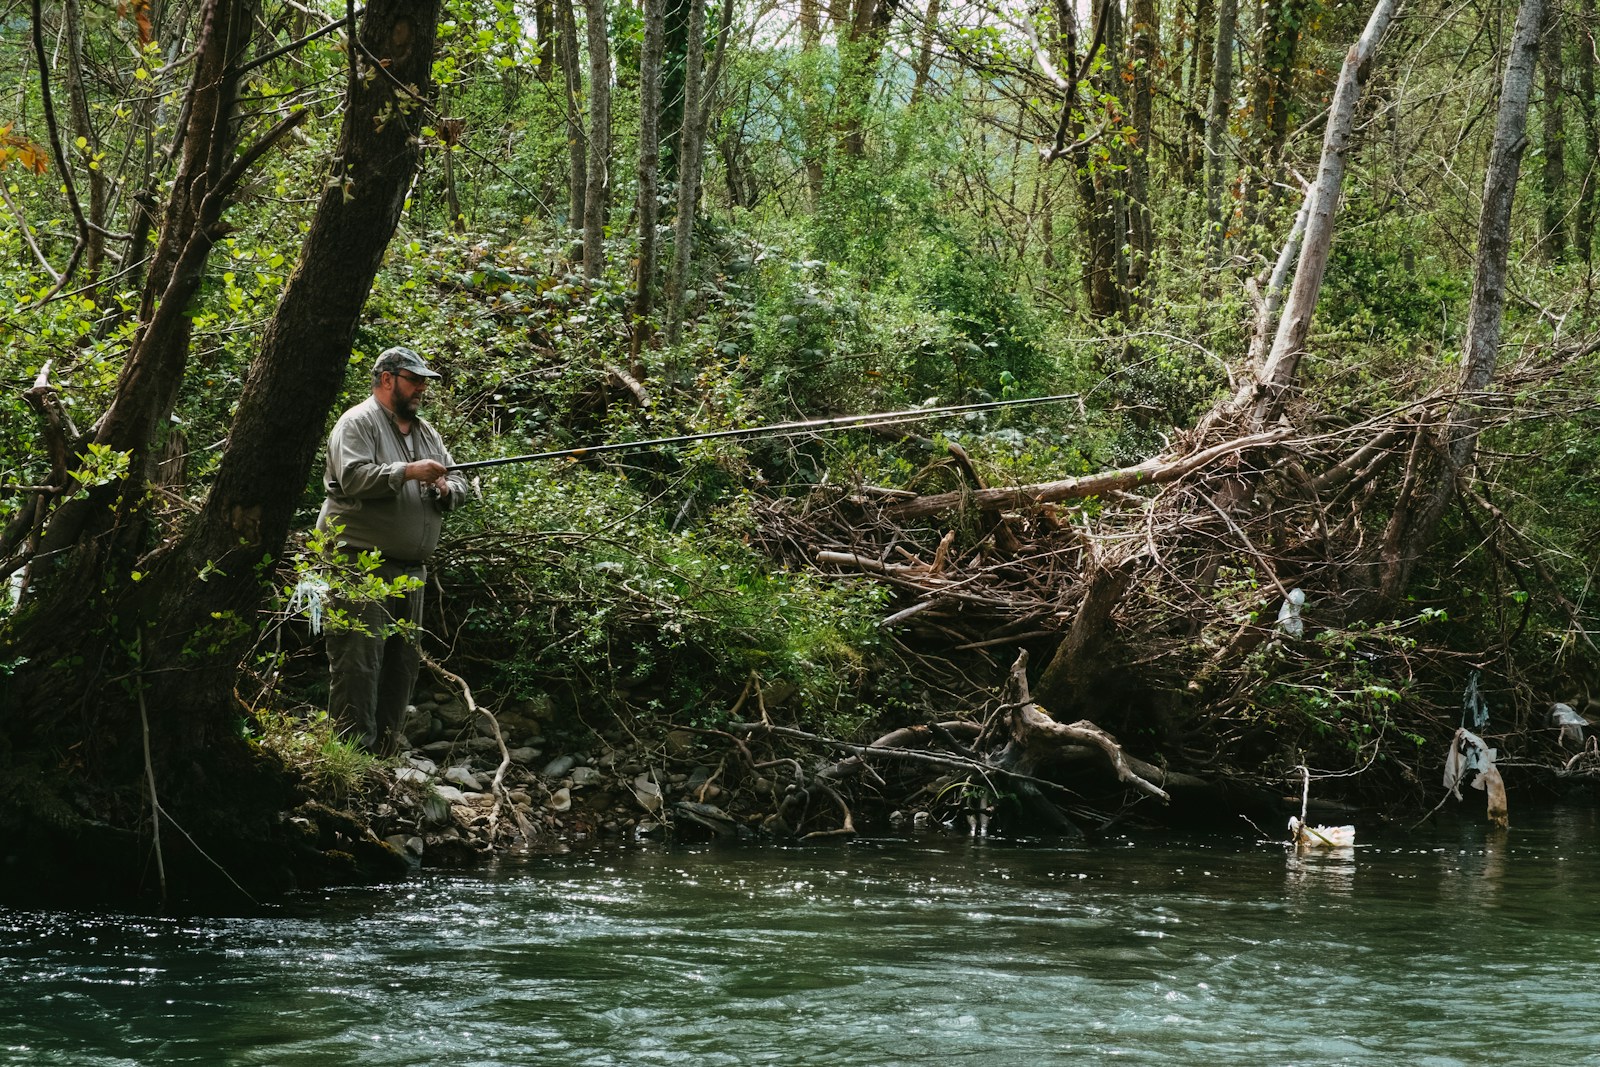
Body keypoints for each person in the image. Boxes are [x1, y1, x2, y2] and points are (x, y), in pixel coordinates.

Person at [318, 346, 468, 755]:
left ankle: (382, 756)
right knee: (358, 664)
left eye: (424, 382)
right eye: (414, 379)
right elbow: (351, 478)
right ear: (387, 379)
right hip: (359, 563)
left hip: (410, 570)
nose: (422, 388)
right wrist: (407, 472)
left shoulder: (427, 432)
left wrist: (445, 488)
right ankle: (350, 757)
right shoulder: (357, 422)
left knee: (402, 665)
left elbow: (461, 483)